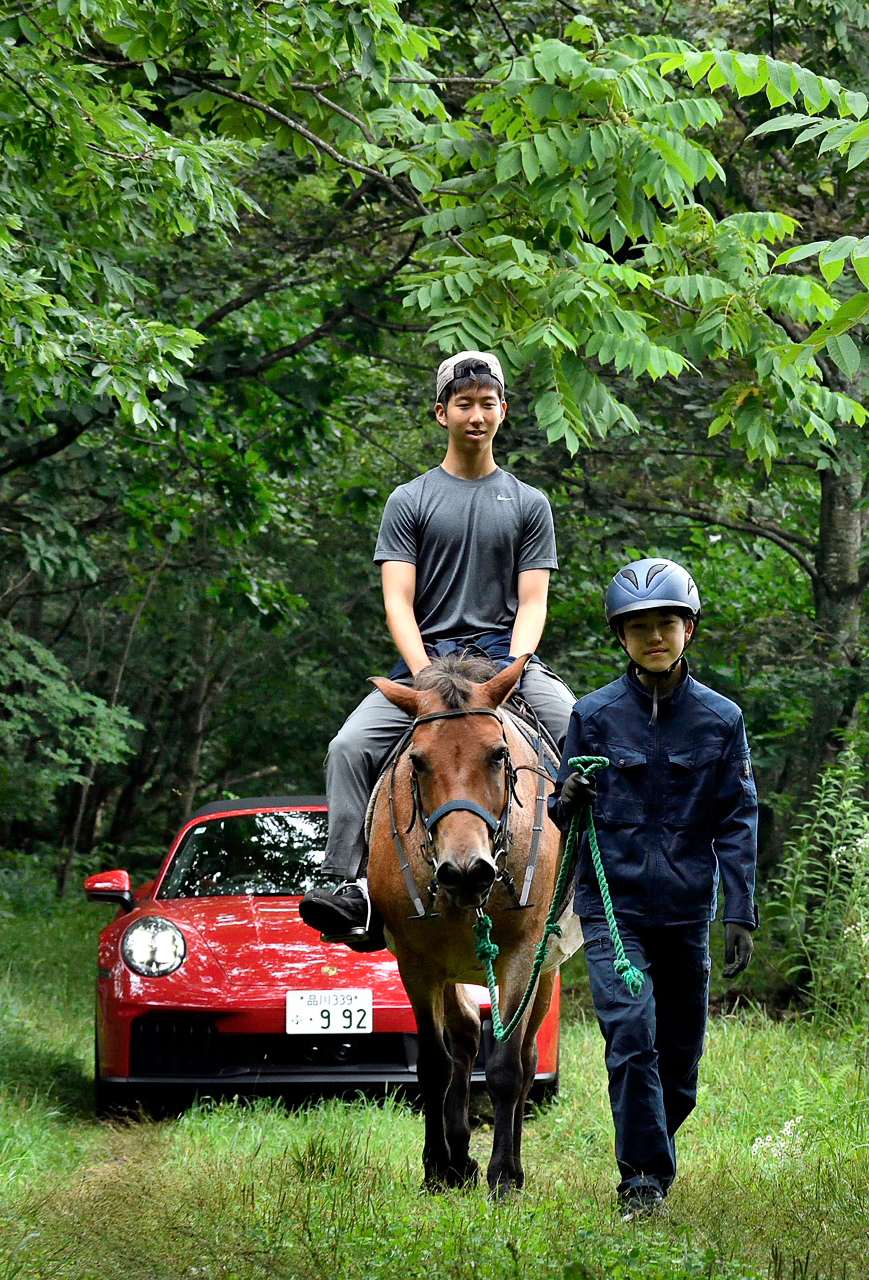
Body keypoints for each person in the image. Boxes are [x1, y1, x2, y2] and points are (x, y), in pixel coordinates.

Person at [299, 351, 576, 950]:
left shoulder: (529, 504)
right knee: (348, 747)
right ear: (441, 412)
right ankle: (346, 885)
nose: (475, 416)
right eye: (463, 404)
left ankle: (594, 890)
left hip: (505, 663)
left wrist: (516, 667)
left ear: (502, 411)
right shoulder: (410, 500)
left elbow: (533, 601)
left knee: (583, 734)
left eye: (485, 404)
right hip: (429, 666)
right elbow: (398, 599)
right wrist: (423, 673)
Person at [550, 558, 758, 1220]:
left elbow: (738, 817)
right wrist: (568, 796)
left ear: (689, 628)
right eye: (638, 627)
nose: (653, 637)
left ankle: (652, 1151)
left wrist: (740, 913)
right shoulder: (593, 716)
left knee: (680, 1064)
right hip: (615, 911)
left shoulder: (721, 721)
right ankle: (641, 1183)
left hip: (687, 911)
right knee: (631, 1036)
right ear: (622, 637)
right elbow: (563, 813)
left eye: (665, 623)